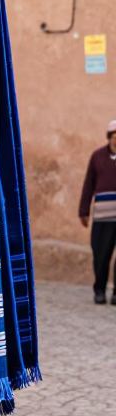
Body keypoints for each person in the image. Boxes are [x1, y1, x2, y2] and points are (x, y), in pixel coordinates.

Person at [79, 120, 116, 304]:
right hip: (102, 217)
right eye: (114, 136)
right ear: (109, 137)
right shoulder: (97, 157)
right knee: (100, 254)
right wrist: (83, 210)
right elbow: (88, 185)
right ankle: (99, 290)